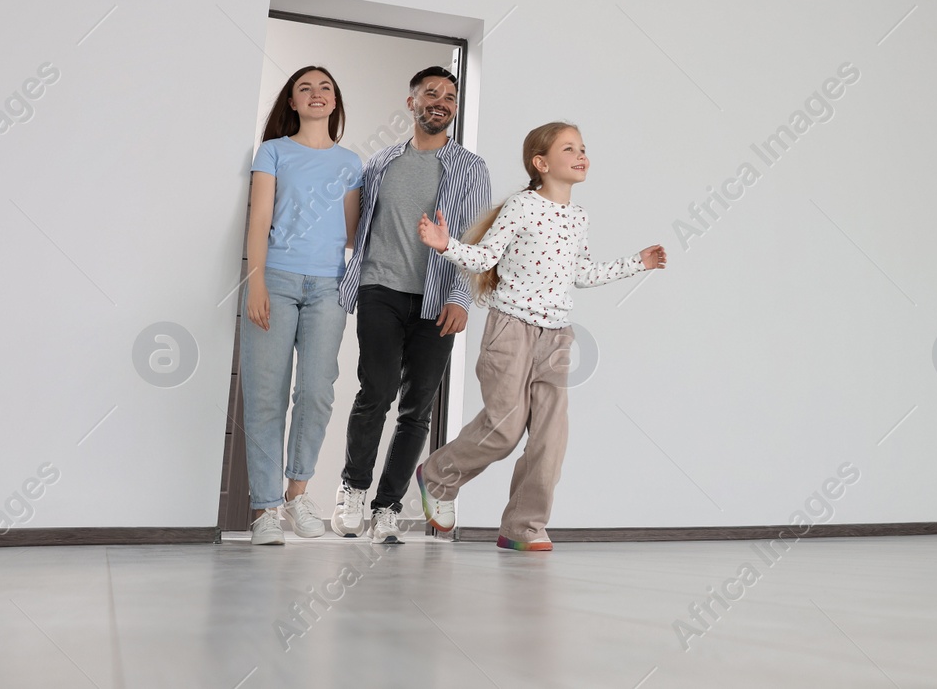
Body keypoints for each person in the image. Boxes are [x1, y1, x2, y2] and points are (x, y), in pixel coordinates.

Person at [411, 121, 665, 551]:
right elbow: (485, 257)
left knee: (551, 437)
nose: (582, 154)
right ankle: (437, 476)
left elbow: (582, 273)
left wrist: (635, 263)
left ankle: (523, 526)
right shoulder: (522, 207)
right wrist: (445, 244)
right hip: (510, 331)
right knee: (505, 429)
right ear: (542, 163)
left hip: (557, 337)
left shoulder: (579, 217)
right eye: (570, 149)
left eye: (583, 147)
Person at [332, 66, 491, 543]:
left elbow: (476, 238)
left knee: (417, 408)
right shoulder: (380, 163)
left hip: (439, 297)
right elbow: (356, 227)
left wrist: (463, 297)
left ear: (455, 108)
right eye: (430, 94)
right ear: (412, 102)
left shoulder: (471, 168)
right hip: (380, 288)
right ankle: (353, 488)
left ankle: (387, 506)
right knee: (374, 392)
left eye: (448, 96)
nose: (439, 101)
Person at [241, 66, 363, 546]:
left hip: (329, 287)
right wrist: (255, 285)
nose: (316, 94)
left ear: (335, 102)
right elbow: (260, 217)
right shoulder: (273, 152)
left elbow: (354, 235)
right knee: (266, 395)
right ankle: (265, 509)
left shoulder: (351, 161)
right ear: (291, 102)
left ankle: (296, 493)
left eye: (325, 87)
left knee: (316, 391)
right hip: (275, 278)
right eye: (304, 88)